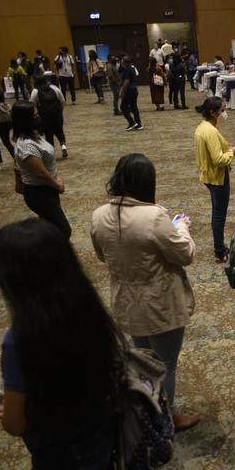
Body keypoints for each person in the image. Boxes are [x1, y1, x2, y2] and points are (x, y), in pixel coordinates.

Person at [0, 219, 138, 470]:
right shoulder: (88, 310)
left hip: (57, 461)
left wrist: (7, 413)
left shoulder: (19, 340)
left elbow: (15, 423)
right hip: (98, 442)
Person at [90, 154, 201, 431]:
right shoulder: (153, 216)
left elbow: (102, 256)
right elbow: (184, 254)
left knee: (142, 361)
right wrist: (182, 228)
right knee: (166, 364)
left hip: (125, 298)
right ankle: (167, 418)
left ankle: (148, 413)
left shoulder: (99, 214)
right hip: (160, 301)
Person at [12, 101, 71, 237]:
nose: (39, 118)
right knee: (63, 230)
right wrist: (57, 185)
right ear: (25, 120)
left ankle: (46, 253)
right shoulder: (27, 145)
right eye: (35, 116)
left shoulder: (33, 135)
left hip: (46, 190)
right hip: (39, 193)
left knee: (49, 227)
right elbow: (40, 173)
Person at [194, 97, 235, 261]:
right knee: (219, 214)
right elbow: (218, 159)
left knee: (217, 212)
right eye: (222, 110)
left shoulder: (202, 127)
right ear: (213, 112)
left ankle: (219, 247)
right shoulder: (210, 131)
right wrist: (232, 152)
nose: (224, 114)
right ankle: (219, 250)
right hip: (216, 177)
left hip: (207, 174)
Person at [31, 74, 69, 158]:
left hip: (44, 116)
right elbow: (62, 100)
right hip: (57, 114)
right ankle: (63, 146)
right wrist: (60, 111)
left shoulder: (35, 91)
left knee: (49, 134)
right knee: (59, 131)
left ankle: (52, 153)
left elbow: (32, 104)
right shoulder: (54, 88)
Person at [119, 56, 143, 131]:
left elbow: (126, 81)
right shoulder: (132, 68)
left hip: (129, 90)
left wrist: (122, 91)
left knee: (123, 107)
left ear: (124, 62)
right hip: (134, 89)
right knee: (134, 107)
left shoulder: (126, 70)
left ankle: (132, 122)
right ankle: (138, 124)